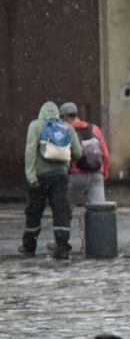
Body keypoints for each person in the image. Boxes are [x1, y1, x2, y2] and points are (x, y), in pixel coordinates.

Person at [20, 101, 82, 259]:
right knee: (61, 211)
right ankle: (62, 247)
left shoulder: (35, 125)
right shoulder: (66, 127)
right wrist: (66, 162)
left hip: (40, 177)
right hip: (60, 176)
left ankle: (29, 247)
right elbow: (78, 152)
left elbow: (30, 151)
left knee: (34, 212)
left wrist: (31, 175)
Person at [60, 102, 110, 206]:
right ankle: (95, 221)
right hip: (96, 173)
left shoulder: (65, 130)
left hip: (76, 175)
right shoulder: (94, 128)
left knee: (66, 207)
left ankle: (73, 219)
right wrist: (103, 173)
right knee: (98, 209)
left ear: (64, 116)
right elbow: (105, 154)